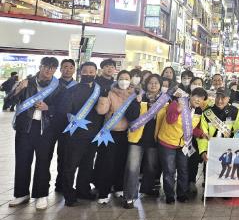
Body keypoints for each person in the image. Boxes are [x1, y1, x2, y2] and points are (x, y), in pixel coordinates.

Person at [9, 57, 62, 210]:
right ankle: (21, 194)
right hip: (25, 127)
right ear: (40, 66)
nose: (49, 70)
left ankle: (41, 195)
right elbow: (8, 101)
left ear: (55, 70)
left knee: (43, 162)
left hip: (46, 129)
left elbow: (62, 108)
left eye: (52, 68)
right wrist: (18, 89)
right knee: (22, 161)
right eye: (46, 66)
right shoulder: (27, 82)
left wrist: (48, 108)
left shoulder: (58, 87)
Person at [58, 62, 106, 206]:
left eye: (91, 71)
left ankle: (83, 190)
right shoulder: (72, 90)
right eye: (85, 71)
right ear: (80, 72)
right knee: (70, 165)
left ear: (96, 73)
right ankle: (68, 194)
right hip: (76, 134)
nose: (88, 74)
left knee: (87, 164)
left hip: (94, 134)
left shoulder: (100, 90)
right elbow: (64, 111)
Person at [122, 74, 166, 209]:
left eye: (156, 83)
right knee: (132, 168)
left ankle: (147, 189)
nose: (153, 85)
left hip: (154, 139)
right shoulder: (138, 97)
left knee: (152, 166)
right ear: (146, 84)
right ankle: (129, 197)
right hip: (137, 139)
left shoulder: (165, 100)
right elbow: (130, 116)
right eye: (151, 82)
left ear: (160, 85)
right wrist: (137, 102)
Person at [155, 87, 205, 203]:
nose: (198, 100)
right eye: (196, 96)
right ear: (190, 95)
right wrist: (178, 110)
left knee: (183, 169)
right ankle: (169, 195)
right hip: (167, 142)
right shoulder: (176, 103)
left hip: (183, 144)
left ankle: (182, 194)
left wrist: (201, 133)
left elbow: (191, 128)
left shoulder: (198, 111)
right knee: (169, 170)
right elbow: (170, 120)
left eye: (201, 98)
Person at [93, 70, 135, 204]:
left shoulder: (133, 95)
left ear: (130, 81)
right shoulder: (110, 93)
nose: (124, 81)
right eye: (121, 78)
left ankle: (119, 188)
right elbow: (101, 111)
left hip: (126, 134)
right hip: (109, 133)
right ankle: (103, 192)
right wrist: (104, 97)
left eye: (127, 79)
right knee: (107, 163)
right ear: (117, 80)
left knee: (121, 162)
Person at [50, 59, 76, 193]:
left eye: (71, 67)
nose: (68, 69)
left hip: (68, 126)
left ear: (74, 70)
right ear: (60, 69)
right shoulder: (53, 84)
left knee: (64, 155)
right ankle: (43, 185)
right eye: (65, 67)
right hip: (51, 124)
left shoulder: (77, 86)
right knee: (46, 156)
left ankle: (61, 184)